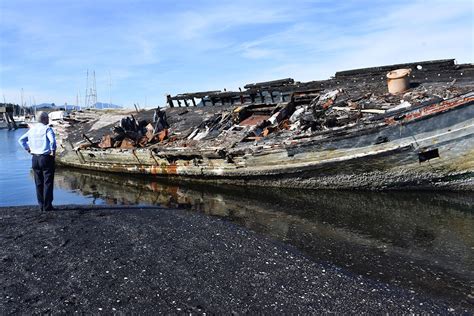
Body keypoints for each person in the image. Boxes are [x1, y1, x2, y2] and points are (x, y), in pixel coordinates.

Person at [18, 111, 57, 212]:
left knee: (38, 183)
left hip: (35, 158)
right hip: (45, 157)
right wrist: (53, 151)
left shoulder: (32, 130)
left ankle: (41, 205)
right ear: (44, 119)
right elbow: (52, 141)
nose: (48, 119)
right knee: (48, 182)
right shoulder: (47, 129)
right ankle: (48, 206)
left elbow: (21, 140)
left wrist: (28, 149)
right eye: (47, 118)